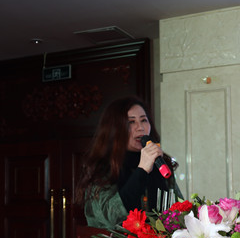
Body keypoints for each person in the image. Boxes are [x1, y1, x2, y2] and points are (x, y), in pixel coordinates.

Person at [75, 96, 180, 229]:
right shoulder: (102, 167)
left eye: (144, 120)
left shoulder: (159, 163)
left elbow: (179, 211)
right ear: (114, 129)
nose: (140, 127)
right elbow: (111, 217)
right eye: (131, 122)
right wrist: (142, 170)